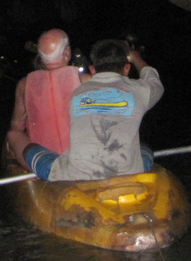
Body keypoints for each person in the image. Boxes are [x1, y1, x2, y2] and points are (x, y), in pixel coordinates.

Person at [24, 38, 163, 181]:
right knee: (144, 148)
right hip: (129, 174)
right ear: (127, 68)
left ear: (92, 70)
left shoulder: (78, 93)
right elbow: (154, 81)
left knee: (30, 149)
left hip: (74, 176)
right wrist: (135, 57)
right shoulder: (140, 91)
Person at [6, 29, 88, 169]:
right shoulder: (86, 80)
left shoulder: (24, 84)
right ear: (67, 52)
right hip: (83, 157)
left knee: (12, 134)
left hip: (44, 161)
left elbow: (17, 125)